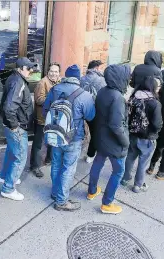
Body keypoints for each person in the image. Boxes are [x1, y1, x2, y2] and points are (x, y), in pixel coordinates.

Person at [42, 64, 95, 211]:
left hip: (56, 134)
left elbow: (45, 111)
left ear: (65, 75)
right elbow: (91, 116)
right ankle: (61, 201)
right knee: (68, 168)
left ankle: (55, 192)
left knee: (56, 164)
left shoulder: (54, 89)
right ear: (78, 78)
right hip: (74, 137)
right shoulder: (85, 95)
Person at [86, 64, 130, 214]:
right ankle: (107, 203)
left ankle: (92, 191)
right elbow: (116, 125)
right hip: (113, 142)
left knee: (98, 162)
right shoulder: (117, 97)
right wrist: (126, 142)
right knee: (118, 171)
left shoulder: (103, 91)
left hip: (101, 138)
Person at [0, 57, 35, 201]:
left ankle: (4, 177)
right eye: (28, 68)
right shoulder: (18, 82)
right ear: (21, 69)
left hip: (11, 125)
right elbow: (9, 107)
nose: (31, 71)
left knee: (11, 152)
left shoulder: (13, 78)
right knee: (20, 157)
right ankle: (8, 188)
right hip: (17, 126)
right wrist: (14, 125)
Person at [120, 76, 162, 193]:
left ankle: (125, 178)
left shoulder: (133, 98)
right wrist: (155, 131)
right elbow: (157, 124)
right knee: (143, 162)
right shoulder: (155, 103)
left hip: (133, 134)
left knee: (130, 157)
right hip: (147, 137)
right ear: (152, 87)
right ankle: (138, 185)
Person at [30, 62, 60, 177]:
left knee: (52, 140)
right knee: (38, 144)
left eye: (56, 71)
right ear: (48, 72)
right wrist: (53, 100)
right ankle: (35, 166)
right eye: (51, 71)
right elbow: (38, 100)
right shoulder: (42, 82)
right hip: (42, 118)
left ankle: (49, 159)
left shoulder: (59, 81)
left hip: (53, 118)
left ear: (59, 73)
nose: (53, 73)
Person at [81, 60, 106, 163]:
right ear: (96, 68)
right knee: (95, 133)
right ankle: (90, 155)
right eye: (100, 68)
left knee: (83, 131)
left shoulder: (81, 79)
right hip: (95, 111)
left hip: (82, 110)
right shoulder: (101, 80)